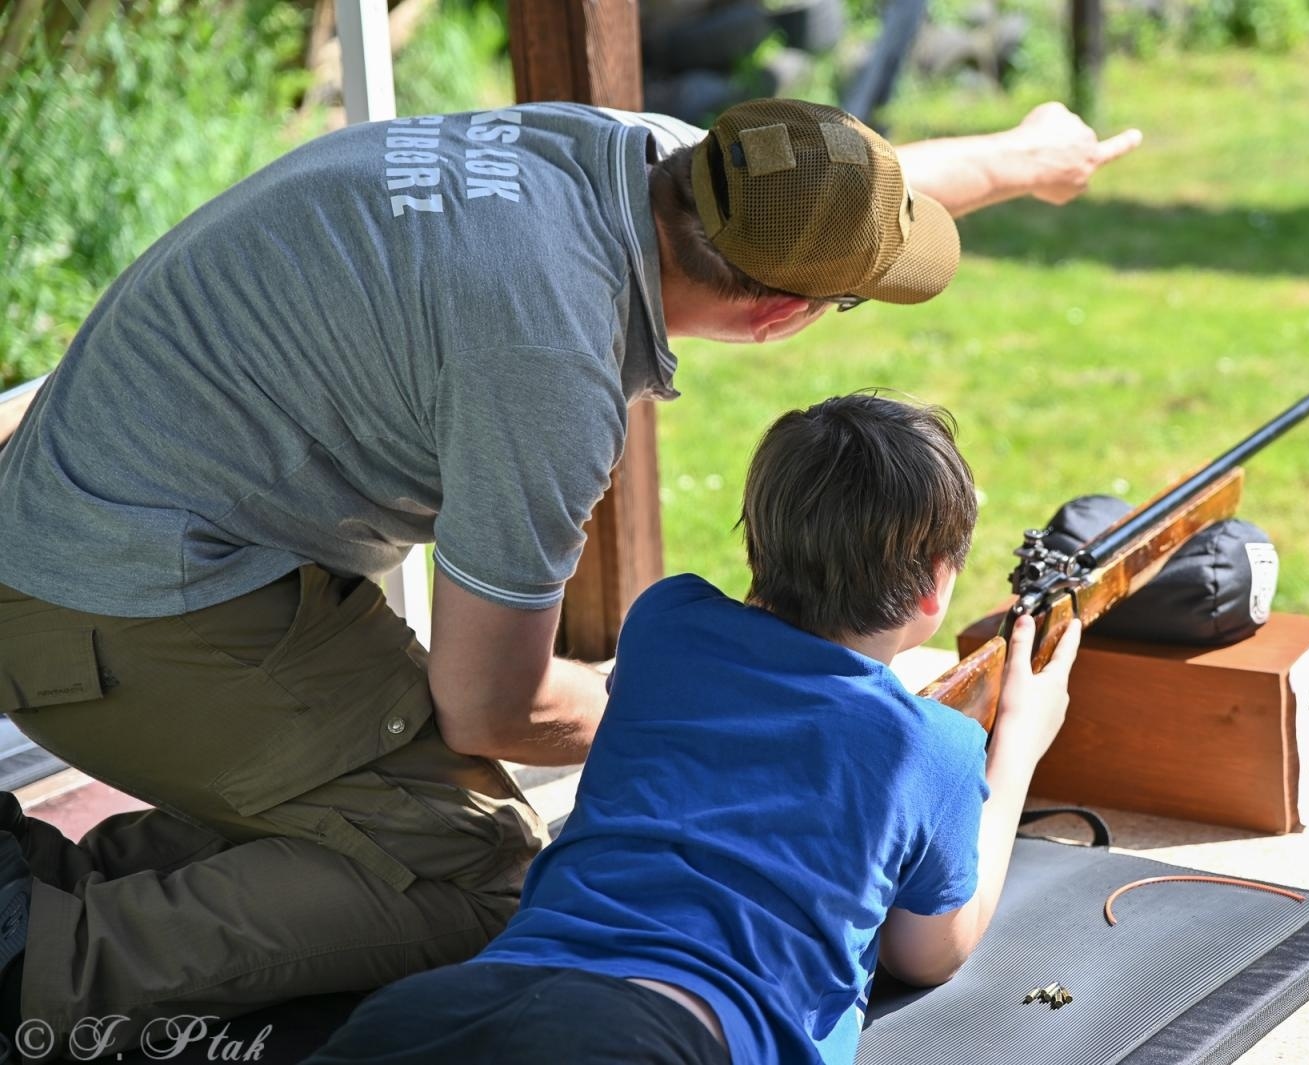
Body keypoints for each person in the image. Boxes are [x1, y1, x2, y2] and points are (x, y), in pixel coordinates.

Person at [0, 96, 1136, 1053]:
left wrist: (1022, 159)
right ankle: (36, 955)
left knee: (403, 812)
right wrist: (784, 715)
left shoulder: (654, 160)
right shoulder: (548, 364)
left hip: (105, 536)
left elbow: (842, 191)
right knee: (472, 875)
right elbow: (490, 701)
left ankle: (43, 873)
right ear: (783, 316)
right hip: (119, 608)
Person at [305, 394, 1081, 1065]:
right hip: (656, 1030)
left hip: (462, 995)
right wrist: (1014, 740)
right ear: (936, 586)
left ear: (757, 541)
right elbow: (931, 951)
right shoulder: (932, 747)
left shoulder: (666, 622)